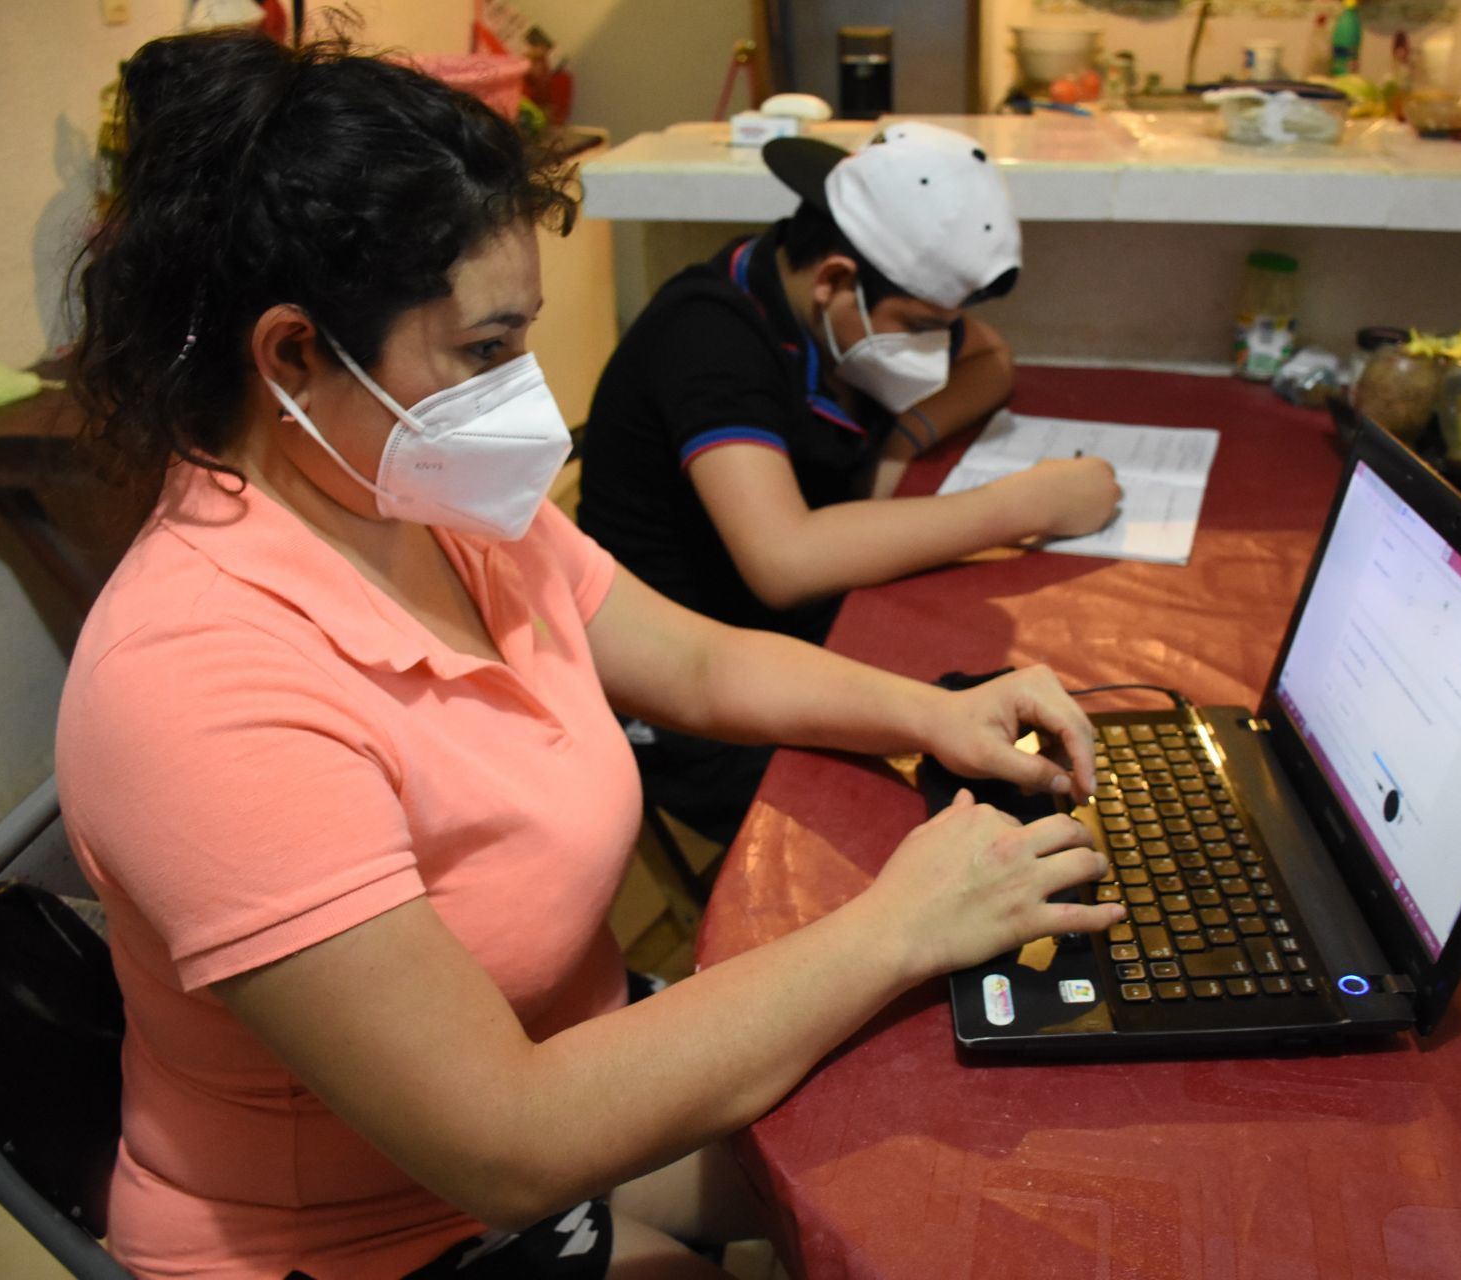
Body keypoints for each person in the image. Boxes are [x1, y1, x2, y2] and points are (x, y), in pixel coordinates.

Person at [56, 29, 1124, 1280]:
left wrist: (932, 715)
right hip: (384, 1231)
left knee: (964, 1141)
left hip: (571, 1063)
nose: (524, 393)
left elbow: (704, 666)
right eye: (484, 349)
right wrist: (898, 922)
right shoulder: (199, 685)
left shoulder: (427, 507)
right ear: (294, 354)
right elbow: (505, 1142)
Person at [577, 123, 1122, 842]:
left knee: (1013, 727)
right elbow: (784, 560)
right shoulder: (706, 337)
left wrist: (902, 440)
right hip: (688, 691)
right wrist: (1022, 505)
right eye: (921, 325)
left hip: (790, 647)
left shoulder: (831, 305)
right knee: (935, 826)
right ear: (835, 279)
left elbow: (991, 361)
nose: (933, 345)